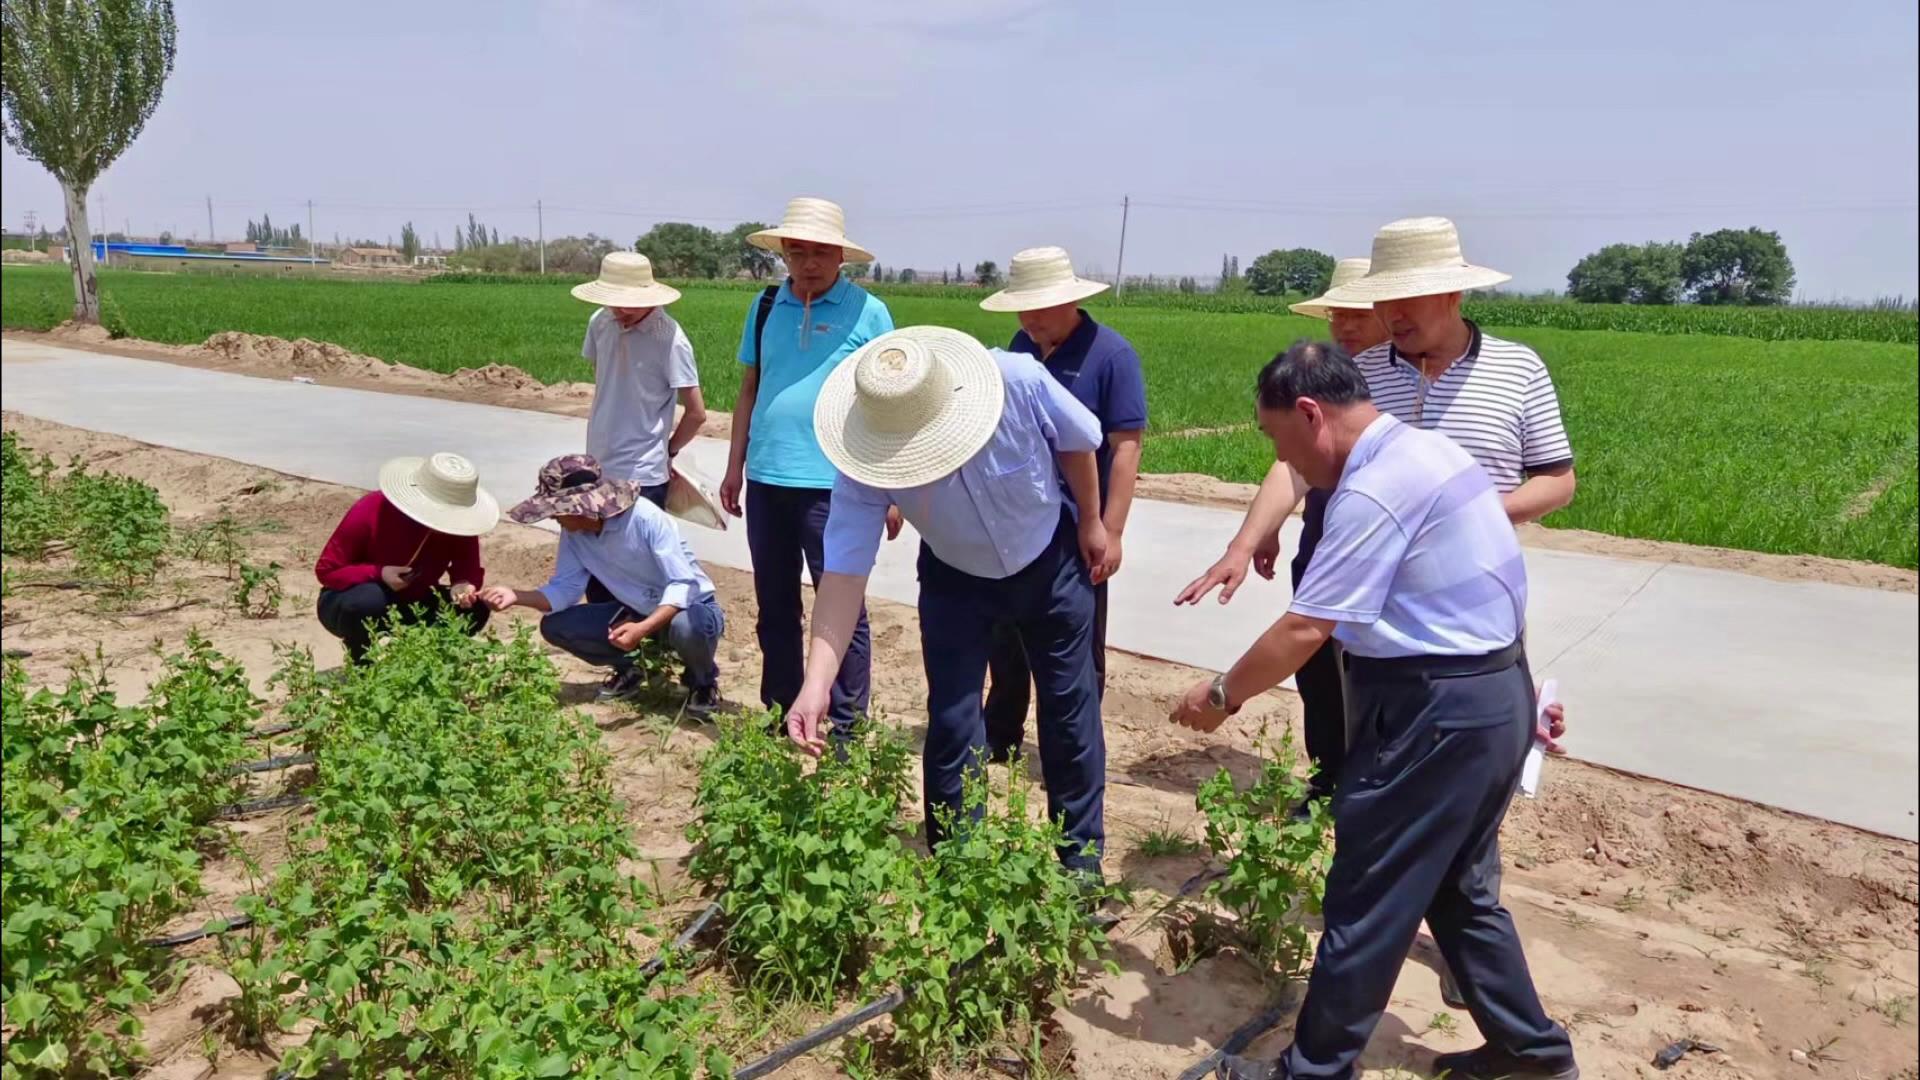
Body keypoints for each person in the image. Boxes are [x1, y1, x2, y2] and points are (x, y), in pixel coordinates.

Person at [1178, 222, 1574, 1009]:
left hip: (1456, 615)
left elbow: (1558, 480)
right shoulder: (1362, 378)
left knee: (1444, 815)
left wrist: (1460, 513)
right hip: (1363, 614)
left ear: (1455, 294)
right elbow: (1296, 464)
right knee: (1367, 764)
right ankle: (1495, 1011)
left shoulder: (1516, 371)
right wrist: (1246, 539)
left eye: (1406, 303)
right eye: (1381, 302)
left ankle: (1430, 963)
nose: (1389, 317)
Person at [786, 326, 1109, 874]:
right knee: (955, 722)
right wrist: (816, 684)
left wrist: (1094, 521)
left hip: (1048, 562)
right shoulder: (866, 453)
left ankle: (1080, 867)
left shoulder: (1019, 381)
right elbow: (842, 575)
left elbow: (1080, 440)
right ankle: (960, 870)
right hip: (955, 578)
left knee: (1069, 715)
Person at [718, 197, 896, 737]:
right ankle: (780, 712)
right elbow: (750, 387)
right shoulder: (767, 305)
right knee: (775, 605)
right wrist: (734, 466)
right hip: (768, 477)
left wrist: (889, 490)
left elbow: (889, 402)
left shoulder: (869, 312)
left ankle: (844, 724)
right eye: (798, 252)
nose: (809, 263)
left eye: (820, 252)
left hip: (835, 484)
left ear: (841, 255)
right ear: (784, 255)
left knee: (841, 608)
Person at [979, 246, 1146, 763]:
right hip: (1021, 522)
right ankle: (1000, 736)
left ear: (1069, 302)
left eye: (1039, 308)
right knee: (1006, 640)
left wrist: (1110, 529)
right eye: (1021, 309)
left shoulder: (1111, 356)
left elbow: (1125, 448)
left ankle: (1073, 753)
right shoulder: (1020, 349)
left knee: (1074, 649)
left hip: (1079, 526)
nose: (1028, 320)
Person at [476, 454, 724, 710]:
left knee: (686, 627)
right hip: (637, 612)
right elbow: (566, 588)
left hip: (691, 609)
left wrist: (642, 629)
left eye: (555, 511)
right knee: (555, 626)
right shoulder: (574, 534)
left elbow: (683, 585)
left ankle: (702, 682)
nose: (552, 518)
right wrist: (516, 596)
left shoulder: (645, 518)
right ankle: (633, 669)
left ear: (578, 507)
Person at [315, 452, 498, 663]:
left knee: (476, 608)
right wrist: (379, 573)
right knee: (368, 599)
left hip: (414, 600)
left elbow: (467, 567)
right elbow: (327, 571)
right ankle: (361, 661)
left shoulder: (461, 524)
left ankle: (428, 663)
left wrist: (464, 585)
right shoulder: (372, 508)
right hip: (350, 601)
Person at [571, 251, 707, 508]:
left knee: (635, 547)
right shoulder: (600, 322)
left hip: (643, 477)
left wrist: (668, 451)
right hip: (598, 464)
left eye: (630, 303)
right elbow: (603, 380)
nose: (620, 311)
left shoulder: (670, 339)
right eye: (614, 301)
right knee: (599, 547)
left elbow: (696, 413)